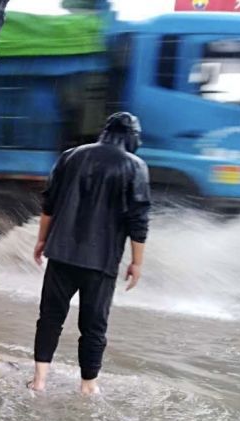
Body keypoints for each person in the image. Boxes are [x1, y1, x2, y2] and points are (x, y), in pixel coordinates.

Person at [29, 112, 151, 395]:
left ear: (105, 132)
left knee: (50, 318)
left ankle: (39, 382)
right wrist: (137, 262)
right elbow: (139, 220)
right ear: (133, 137)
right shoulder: (136, 166)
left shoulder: (71, 156)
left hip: (61, 254)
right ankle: (88, 387)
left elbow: (49, 203)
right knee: (93, 327)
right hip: (101, 262)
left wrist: (41, 241)